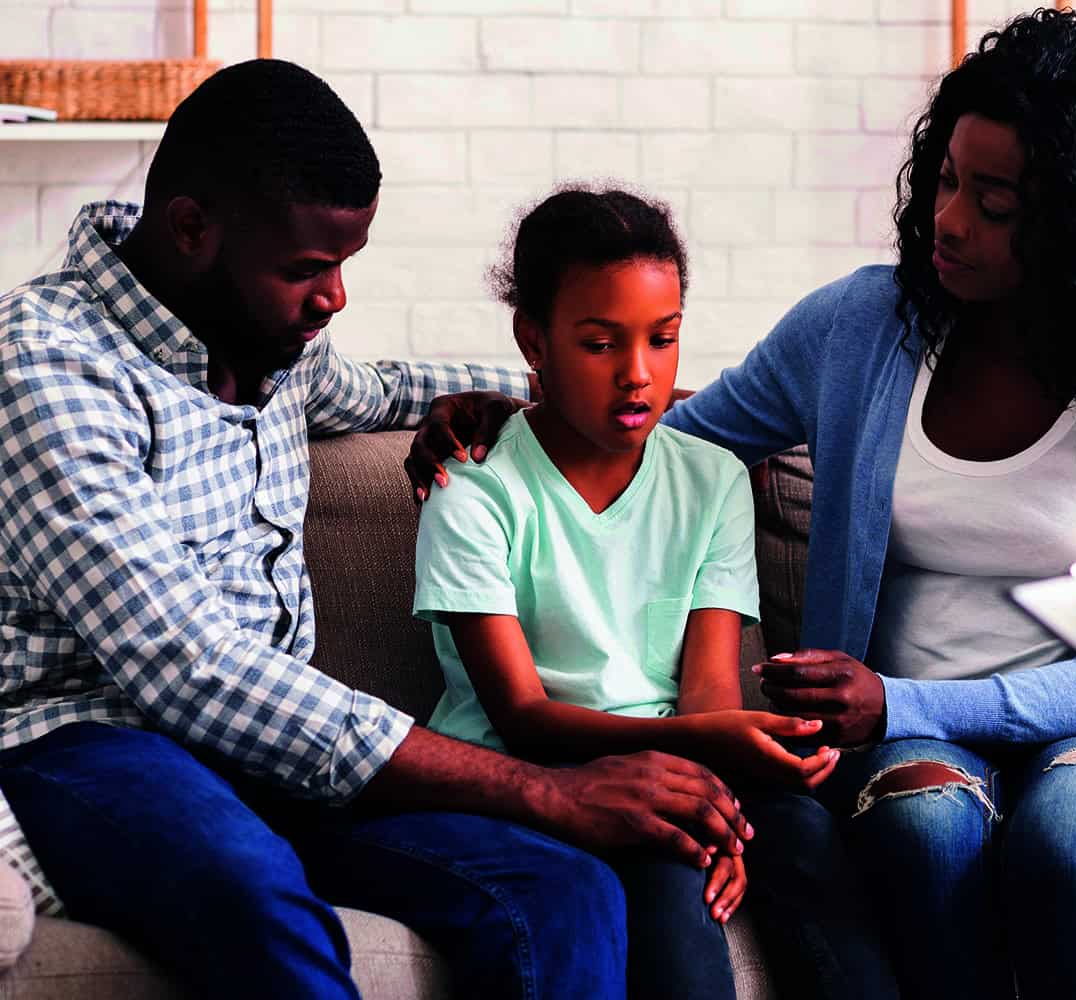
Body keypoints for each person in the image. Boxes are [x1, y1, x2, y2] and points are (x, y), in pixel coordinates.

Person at [408, 9, 1076, 998]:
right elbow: (664, 442)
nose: (947, 219)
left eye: (994, 202)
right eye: (945, 180)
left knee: (1069, 849)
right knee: (925, 830)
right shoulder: (865, 326)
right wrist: (519, 407)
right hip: (912, 738)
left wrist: (895, 700)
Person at [0, 60, 757, 1000]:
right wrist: (545, 789)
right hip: (99, 742)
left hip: (282, 762)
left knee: (561, 891)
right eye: (307, 270)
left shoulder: (268, 347)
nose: (335, 300)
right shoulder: (46, 371)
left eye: (344, 265)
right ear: (193, 229)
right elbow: (189, 667)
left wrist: (533, 394)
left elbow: (382, 384)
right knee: (255, 896)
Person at [412, 187, 896, 1000]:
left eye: (663, 338)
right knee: (672, 870)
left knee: (804, 835)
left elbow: (707, 691)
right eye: (601, 344)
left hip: (681, 756)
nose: (639, 375)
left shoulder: (710, 478)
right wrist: (703, 776)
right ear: (534, 339)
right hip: (536, 774)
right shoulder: (473, 488)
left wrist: (722, 781)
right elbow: (522, 718)